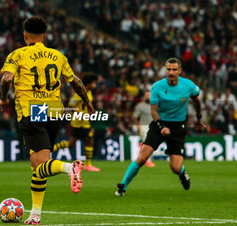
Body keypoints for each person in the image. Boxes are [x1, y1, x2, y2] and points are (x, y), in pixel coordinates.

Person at [0, 16, 94, 225]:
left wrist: (3, 98)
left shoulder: (18, 54)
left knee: (41, 164)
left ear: (25, 35)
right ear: (45, 36)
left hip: (32, 110)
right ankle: (35, 215)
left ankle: (70, 168)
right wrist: (88, 102)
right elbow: (75, 82)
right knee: (37, 166)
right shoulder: (57, 55)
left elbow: (6, 79)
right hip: (54, 111)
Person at [115, 57, 206, 196]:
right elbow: (154, 111)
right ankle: (123, 187)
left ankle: (182, 173)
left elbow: (197, 100)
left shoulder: (188, 85)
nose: (171, 72)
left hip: (178, 127)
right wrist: (162, 126)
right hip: (159, 124)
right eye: (169, 69)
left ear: (179, 71)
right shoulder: (157, 86)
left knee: (175, 168)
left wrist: (199, 117)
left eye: (174, 70)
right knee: (142, 157)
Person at [53, 73, 100, 171]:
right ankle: (88, 165)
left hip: (84, 122)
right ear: (88, 84)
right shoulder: (79, 95)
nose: (95, 85)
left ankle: (53, 148)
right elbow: (70, 104)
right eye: (94, 83)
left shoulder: (89, 92)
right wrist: (79, 113)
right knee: (87, 142)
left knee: (74, 143)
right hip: (78, 123)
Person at [133, 91, 155, 167]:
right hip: (143, 126)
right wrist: (138, 125)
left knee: (150, 143)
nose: (148, 97)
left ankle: (144, 158)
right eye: (147, 95)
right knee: (147, 142)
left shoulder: (154, 105)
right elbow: (135, 117)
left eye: (150, 95)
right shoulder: (140, 106)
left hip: (153, 126)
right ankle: (147, 161)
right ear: (144, 97)